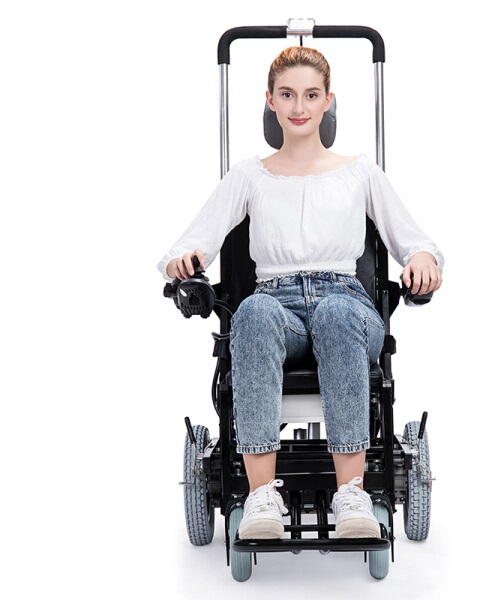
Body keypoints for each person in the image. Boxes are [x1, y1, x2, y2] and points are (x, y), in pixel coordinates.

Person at [158, 46, 443, 540]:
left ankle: (351, 492)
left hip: (346, 304)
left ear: (328, 101)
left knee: (334, 313)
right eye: (287, 95)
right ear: (270, 100)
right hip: (277, 306)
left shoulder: (360, 172)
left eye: (311, 95)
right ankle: (261, 498)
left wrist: (422, 260)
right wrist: (183, 262)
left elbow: (418, 244)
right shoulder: (249, 175)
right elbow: (183, 248)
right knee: (252, 312)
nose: (299, 107)